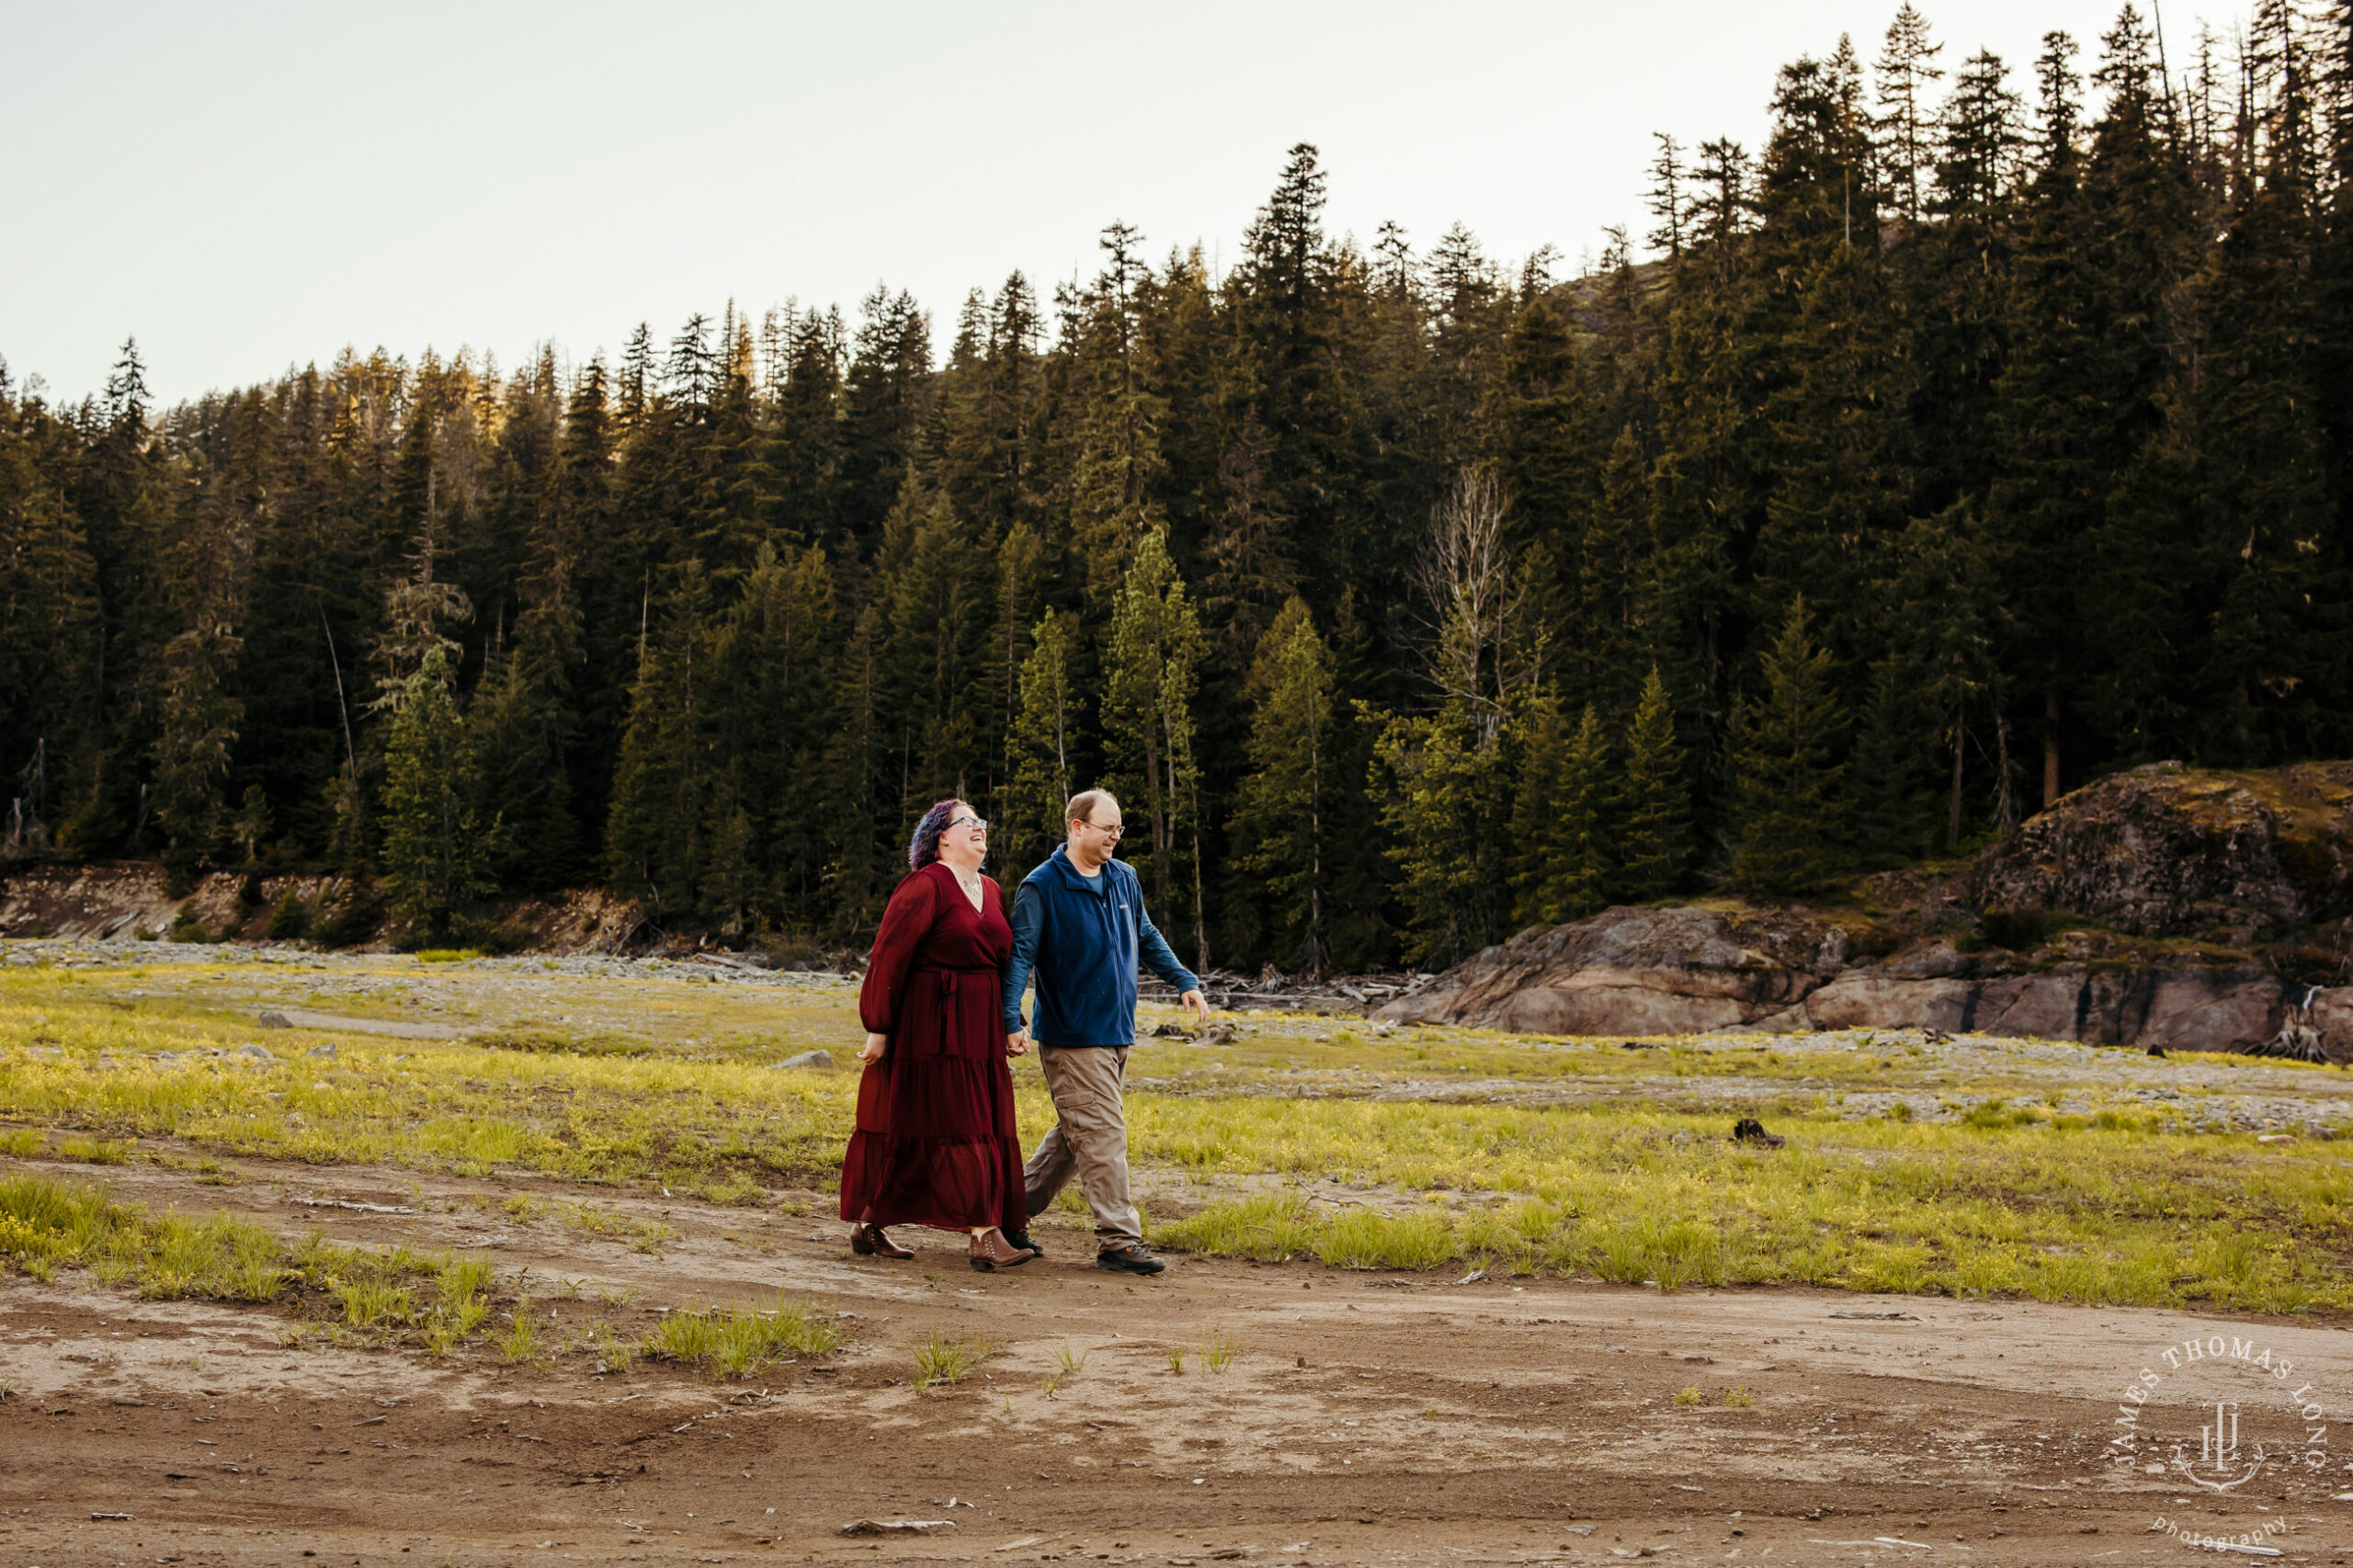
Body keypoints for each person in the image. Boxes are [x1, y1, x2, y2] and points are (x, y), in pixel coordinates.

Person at [1004, 789, 1211, 1276]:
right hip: (1071, 1036)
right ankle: (1119, 1240)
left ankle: (1004, 1214)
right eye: (1107, 828)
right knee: (1102, 1133)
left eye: (1119, 829)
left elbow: (1146, 933)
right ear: (1077, 827)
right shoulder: (1042, 886)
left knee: (1076, 1136)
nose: (1115, 837)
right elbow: (1020, 958)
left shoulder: (1124, 878)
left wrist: (1184, 981)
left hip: (1116, 1030)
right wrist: (1009, 1018)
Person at [840, 800, 1038, 1272]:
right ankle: (983, 1235)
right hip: (931, 1027)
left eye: (982, 823)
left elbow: (1004, 962)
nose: (979, 829)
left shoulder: (990, 889)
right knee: (957, 1124)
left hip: (980, 1023)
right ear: (940, 838)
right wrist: (879, 1027)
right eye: (967, 822)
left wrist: (1013, 1022)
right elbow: (888, 956)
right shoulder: (925, 884)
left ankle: (869, 1224)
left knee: (960, 1125)